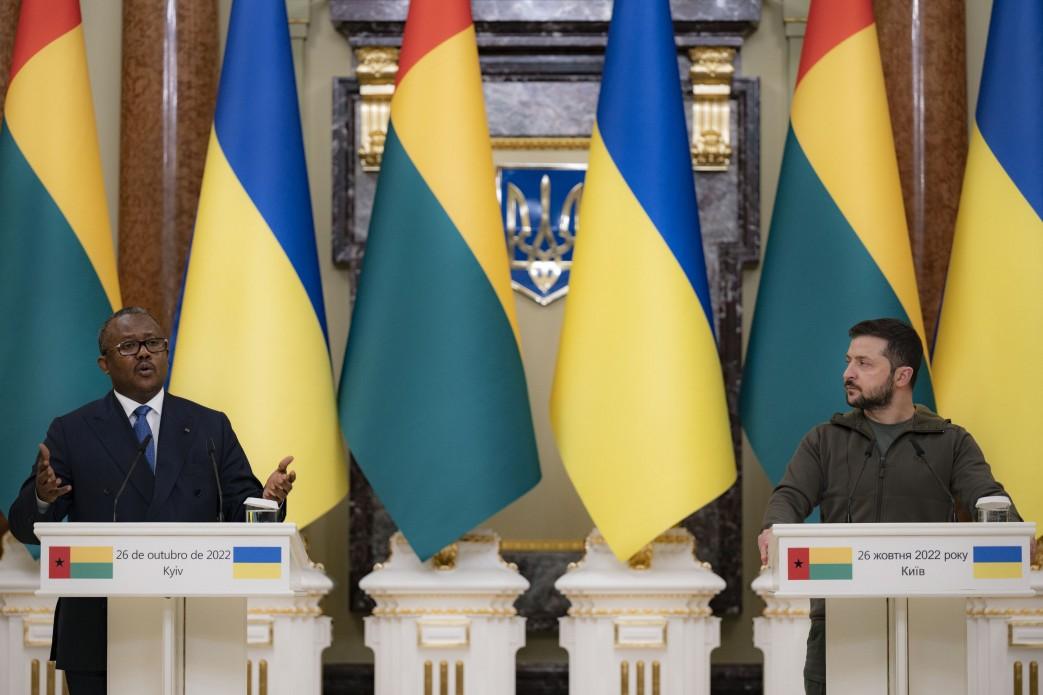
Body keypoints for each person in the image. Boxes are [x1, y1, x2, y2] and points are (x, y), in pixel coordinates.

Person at [7, 307, 296, 695]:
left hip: (197, 626)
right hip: (98, 632)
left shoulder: (210, 426)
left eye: (153, 343)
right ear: (104, 364)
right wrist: (42, 498)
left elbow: (240, 511)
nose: (144, 353)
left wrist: (267, 500)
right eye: (129, 346)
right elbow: (26, 525)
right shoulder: (72, 430)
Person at [756, 317, 1021, 695]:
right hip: (838, 624)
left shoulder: (950, 442)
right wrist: (773, 527)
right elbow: (789, 497)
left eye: (864, 364)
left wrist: (1012, 529)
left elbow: (986, 495)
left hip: (932, 626)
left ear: (901, 376)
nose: (848, 372)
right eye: (849, 361)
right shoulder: (825, 440)